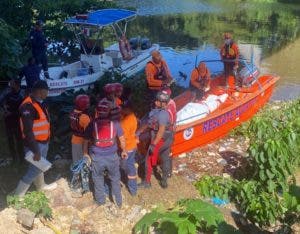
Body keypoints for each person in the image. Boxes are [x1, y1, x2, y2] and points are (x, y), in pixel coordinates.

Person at [14, 80, 57, 196]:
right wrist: (35, 150)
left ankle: (41, 186)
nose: (47, 93)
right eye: (46, 91)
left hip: (43, 142)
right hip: (35, 145)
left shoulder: (39, 103)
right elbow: (27, 131)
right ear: (39, 91)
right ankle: (18, 195)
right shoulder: (28, 106)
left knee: (39, 167)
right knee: (34, 170)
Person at [83, 104, 127, 207]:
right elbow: (122, 139)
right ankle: (118, 202)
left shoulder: (92, 124)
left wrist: (85, 154)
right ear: (108, 112)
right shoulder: (115, 124)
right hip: (112, 157)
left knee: (98, 179)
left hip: (97, 157)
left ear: (97, 112)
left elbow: (85, 141)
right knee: (115, 179)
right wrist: (124, 150)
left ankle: (100, 201)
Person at [138, 91, 173, 189]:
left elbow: (160, 130)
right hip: (168, 138)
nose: (155, 102)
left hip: (160, 139)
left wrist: (153, 144)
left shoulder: (162, 114)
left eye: (158, 101)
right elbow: (149, 124)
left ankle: (147, 182)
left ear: (163, 103)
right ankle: (164, 179)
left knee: (148, 160)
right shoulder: (165, 112)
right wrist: (139, 131)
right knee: (165, 158)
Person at [0, 78, 25, 163]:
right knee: (10, 140)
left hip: (18, 121)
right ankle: (14, 159)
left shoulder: (22, 95)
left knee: (19, 141)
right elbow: (1, 102)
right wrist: (4, 109)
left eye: (12, 84)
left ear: (17, 85)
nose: (10, 85)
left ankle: (22, 159)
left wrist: (11, 113)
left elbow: (23, 110)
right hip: (8, 121)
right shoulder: (8, 94)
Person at [120, 101, 138, 196]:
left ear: (128, 109)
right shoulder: (132, 116)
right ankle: (133, 187)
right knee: (129, 165)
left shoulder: (125, 122)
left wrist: (123, 150)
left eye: (123, 108)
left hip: (127, 148)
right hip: (133, 145)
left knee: (126, 166)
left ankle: (132, 189)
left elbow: (123, 138)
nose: (121, 109)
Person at [70, 94, 91, 163]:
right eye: (87, 104)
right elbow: (88, 133)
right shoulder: (85, 117)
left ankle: (76, 174)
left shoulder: (72, 113)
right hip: (82, 142)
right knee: (84, 163)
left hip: (74, 140)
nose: (88, 105)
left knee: (76, 162)